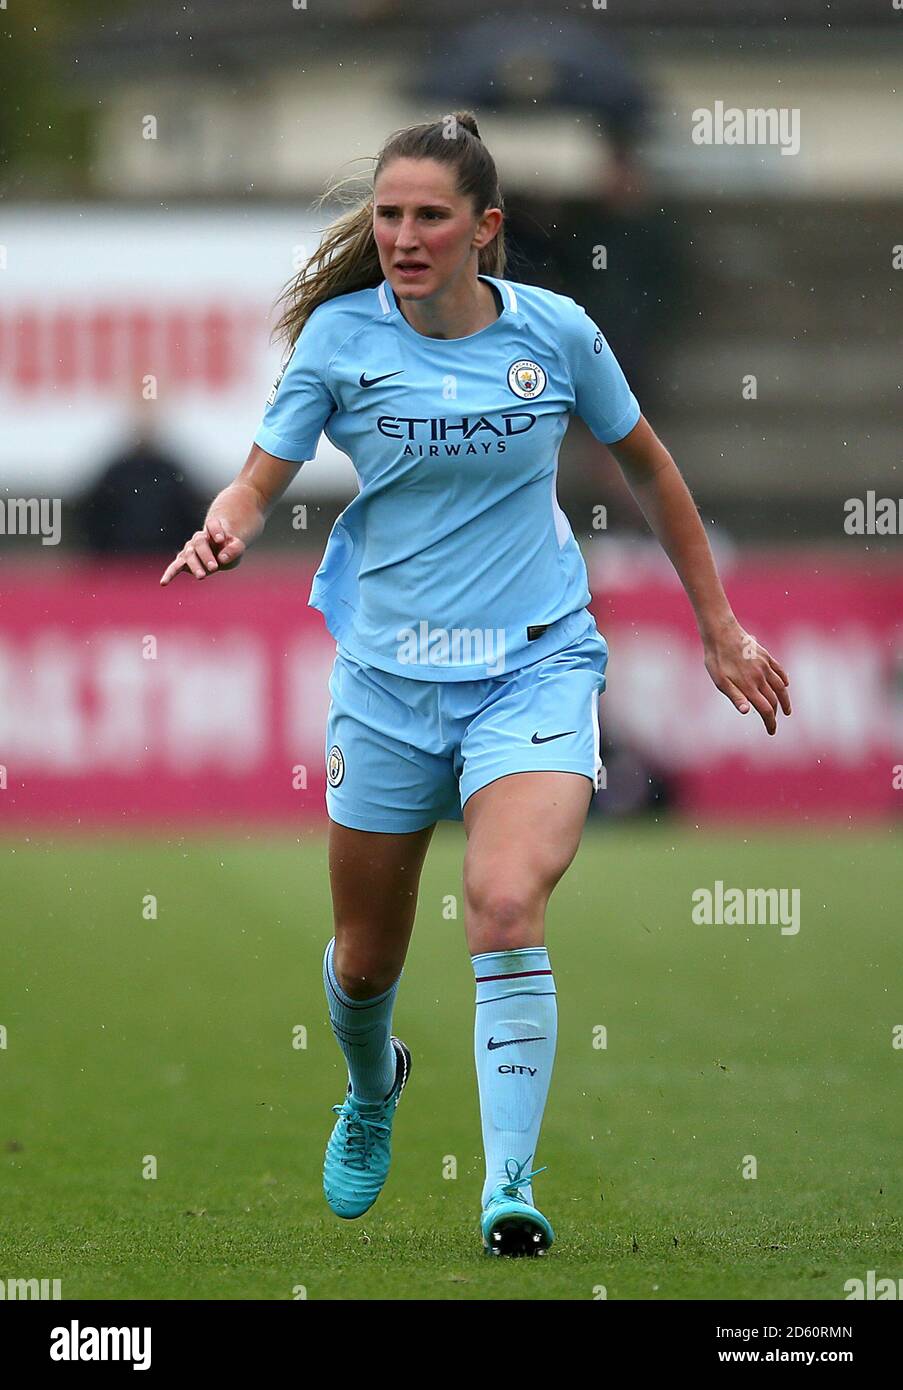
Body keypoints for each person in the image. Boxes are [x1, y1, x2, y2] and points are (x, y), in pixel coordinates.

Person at [160, 111, 791, 1258]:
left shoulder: (558, 335)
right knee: (364, 959)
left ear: (483, 229)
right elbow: (260, 477)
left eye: (429, 216)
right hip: (390, 680)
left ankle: (508, 1184)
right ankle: (371, 1087)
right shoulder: (342, 340)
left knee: (504, 903)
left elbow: (650, 465)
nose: (403, 234)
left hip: (536, 664)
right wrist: (229, 522)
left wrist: (721, 627)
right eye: (390, 214)